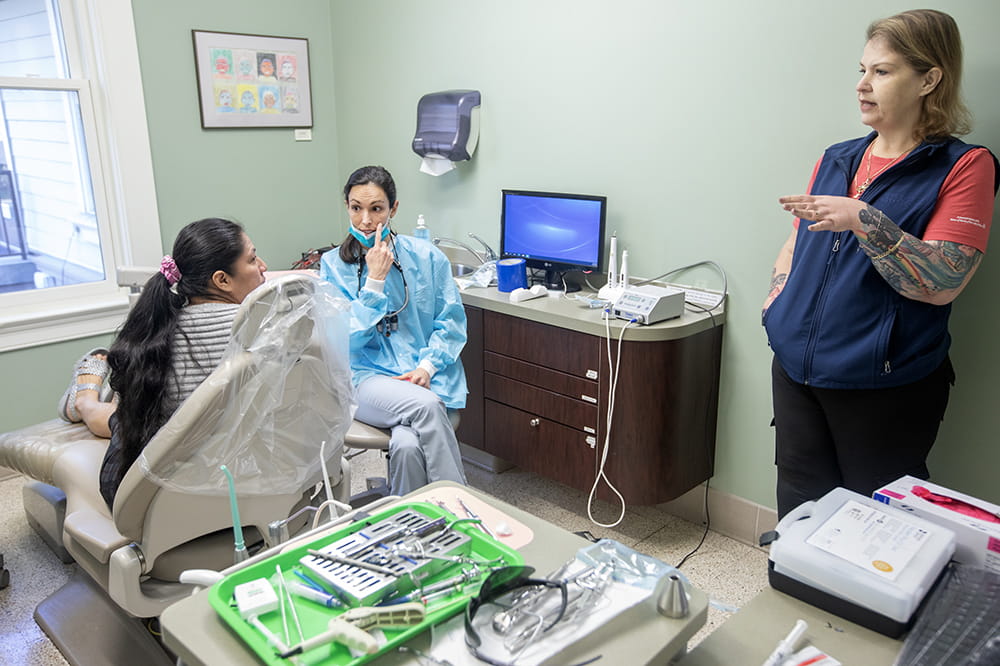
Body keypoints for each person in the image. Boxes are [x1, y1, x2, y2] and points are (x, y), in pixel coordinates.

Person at [762, 9, 999, 519]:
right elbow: (796, 244)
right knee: (799, 510)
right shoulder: (838, 157)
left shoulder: (964, 166)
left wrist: (864, 218)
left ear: (929, 80)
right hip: (797, 371)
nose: (862, 84)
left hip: (884, 384)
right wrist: (777, 304)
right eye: (862, 70)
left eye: (882, 71)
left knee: (875, 525)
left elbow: (943, 282)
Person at [56, 218, 268, 508]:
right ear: (222, 280)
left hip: (150, 492)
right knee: (123, 418)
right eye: (253, 259)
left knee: (130, 415)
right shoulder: (264, 324)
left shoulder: (158, 334)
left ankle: (87, 398)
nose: (263, 266)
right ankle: (84, 402)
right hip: (236, 479)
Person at [319, 165, 468, 495]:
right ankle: (458, 505)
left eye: (376, 209)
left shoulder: (427, 257)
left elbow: (451, 322)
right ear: (346, 207)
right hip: (366, 378)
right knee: (426, 406)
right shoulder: (333, 266)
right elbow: (343, 341)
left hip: (423, 374)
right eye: (356, 208)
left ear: (393, 209)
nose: (366, 221)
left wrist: (426, 367)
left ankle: (407, 519)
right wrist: (374, 283)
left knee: (407, 445)